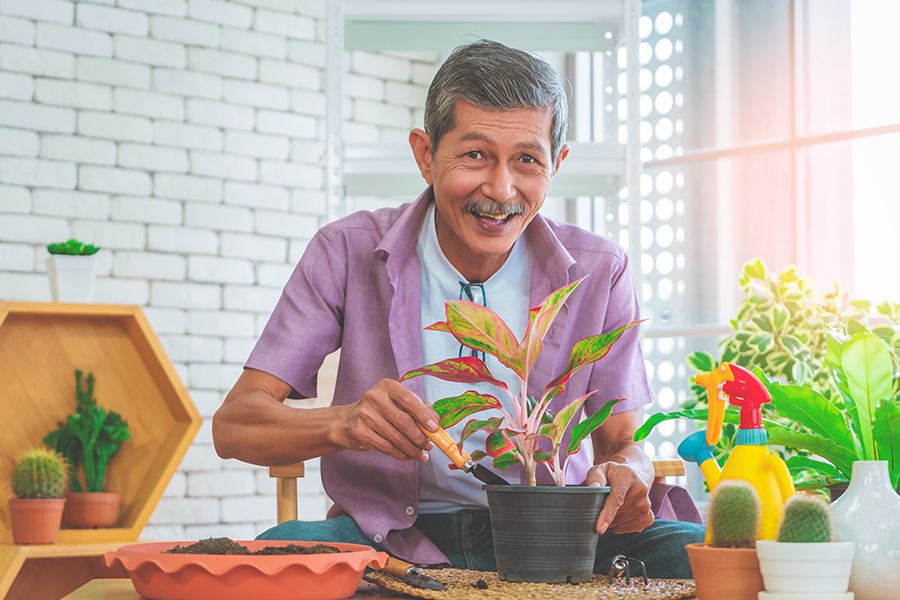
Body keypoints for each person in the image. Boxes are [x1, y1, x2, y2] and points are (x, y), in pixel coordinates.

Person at [212, 39, 704, 578]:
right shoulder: (346, 251)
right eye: (475, 155)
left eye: (526, 160)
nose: (500, 189)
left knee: (703, 556)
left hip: (562, 536)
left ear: (556, 164)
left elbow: (623, 445)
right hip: (392, 538)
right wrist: (345, 422)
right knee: (272, 556)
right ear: (426, 154)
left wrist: (627, 474)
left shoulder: (599, 270)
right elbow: (235, 425)